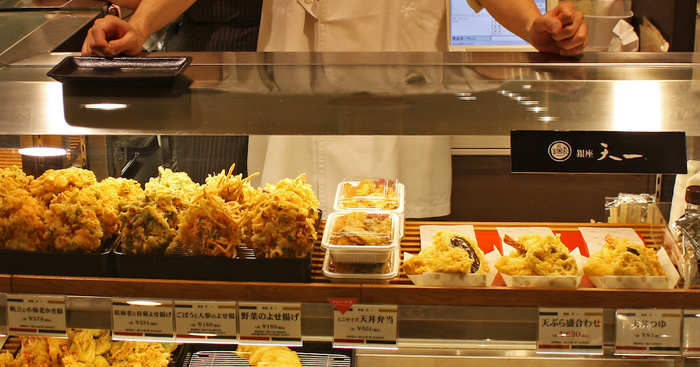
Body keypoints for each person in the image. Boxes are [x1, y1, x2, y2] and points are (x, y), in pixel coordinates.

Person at [83, 0, 588, 216]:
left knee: (391, 261)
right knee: (288, 237)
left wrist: (536, 26)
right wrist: (142, 25)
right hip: (298, 95)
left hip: (399, 102)